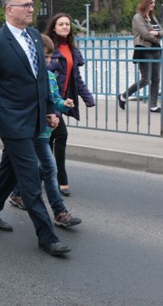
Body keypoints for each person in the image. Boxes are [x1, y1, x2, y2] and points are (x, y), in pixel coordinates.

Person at [0, 0, 71, 257]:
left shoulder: (33, 37)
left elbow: (40, 77)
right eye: (25, 5)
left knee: (10, 169)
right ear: (9, 9)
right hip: (11, 121)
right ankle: (47, 237)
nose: (31, 8)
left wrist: (51, 109)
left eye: (31, 4)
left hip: (36, 117)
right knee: (31, 175)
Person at [7, 34, 82, 228]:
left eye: (50, 58)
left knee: (47, 168)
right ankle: (56, 210)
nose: (48, 61)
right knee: (34, 168)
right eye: (45, 57)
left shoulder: (49, 76)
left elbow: (53, 100)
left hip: (43, 134)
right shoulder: (25, 77)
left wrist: (63, 106)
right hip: (26, 133)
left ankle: (55, 210)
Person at [45, 13, 95, 197]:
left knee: (49, 139)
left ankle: (43, 175)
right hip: (50, 99)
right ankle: (60, 178)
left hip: (63, 99)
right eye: (61, 24)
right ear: (54, 27)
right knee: (60, 134)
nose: (65, 27)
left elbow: (76, 78)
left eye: (67, 24)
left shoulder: (72, 49)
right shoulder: (49, 48)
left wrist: (87, 97)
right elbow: (43, 71)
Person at [119, 0, 163, 113]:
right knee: (146, 79)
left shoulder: (152, 17)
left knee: (156, 79)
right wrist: (158, 37)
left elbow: (162, 31)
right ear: (145, 3)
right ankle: (123, 96)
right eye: (151, 2)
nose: (153, 4)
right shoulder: (137, 17)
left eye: (154, 2)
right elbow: (145, 34)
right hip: (144, 50)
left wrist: (157, 33)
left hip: (156, 51)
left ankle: (153, 106)